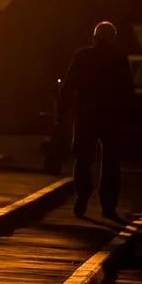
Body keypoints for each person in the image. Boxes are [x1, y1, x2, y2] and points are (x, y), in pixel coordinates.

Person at [57, 20, 135, 219]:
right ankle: (108, 205)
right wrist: (129, 118)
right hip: (111, 118)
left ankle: (82, 195)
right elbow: (128, 91)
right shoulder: (120, 60)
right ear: (114, 39)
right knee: (111, 162)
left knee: (82, 159)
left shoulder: (82, 56)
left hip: (86, 116)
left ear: (94, 37)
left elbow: (68, 86)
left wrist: (63, 113)